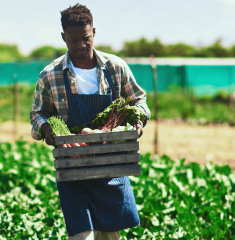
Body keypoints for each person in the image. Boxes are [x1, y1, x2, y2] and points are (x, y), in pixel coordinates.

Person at [29, 3, 151, 240]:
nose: (80, 45)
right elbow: (37, 113)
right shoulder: (50, 74)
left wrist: (137, 122)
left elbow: (139, 100)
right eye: (73, 40)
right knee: (80, 236)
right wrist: (46, 129)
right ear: (63, 37)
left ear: (94, 32)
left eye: (86, 38)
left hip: (110, 161)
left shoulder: (115, 67)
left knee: (110, 235)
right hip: (72, 165)